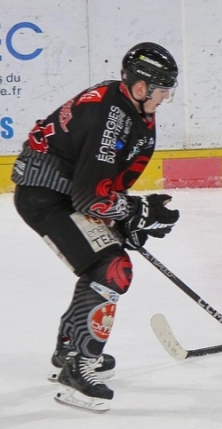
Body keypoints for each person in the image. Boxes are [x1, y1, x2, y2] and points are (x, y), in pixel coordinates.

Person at [11, 42, 181, 412]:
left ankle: (69, 350)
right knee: (111, 268)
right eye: (162, 90)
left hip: (65, 192)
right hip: (45, 196)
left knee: (103, 263)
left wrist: (126, 217)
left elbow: (105, 184)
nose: (166, 97)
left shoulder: (128, 107)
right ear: (141, 87)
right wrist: (137, 212)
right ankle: (78, 369)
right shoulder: (108, 117)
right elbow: (91, 199)